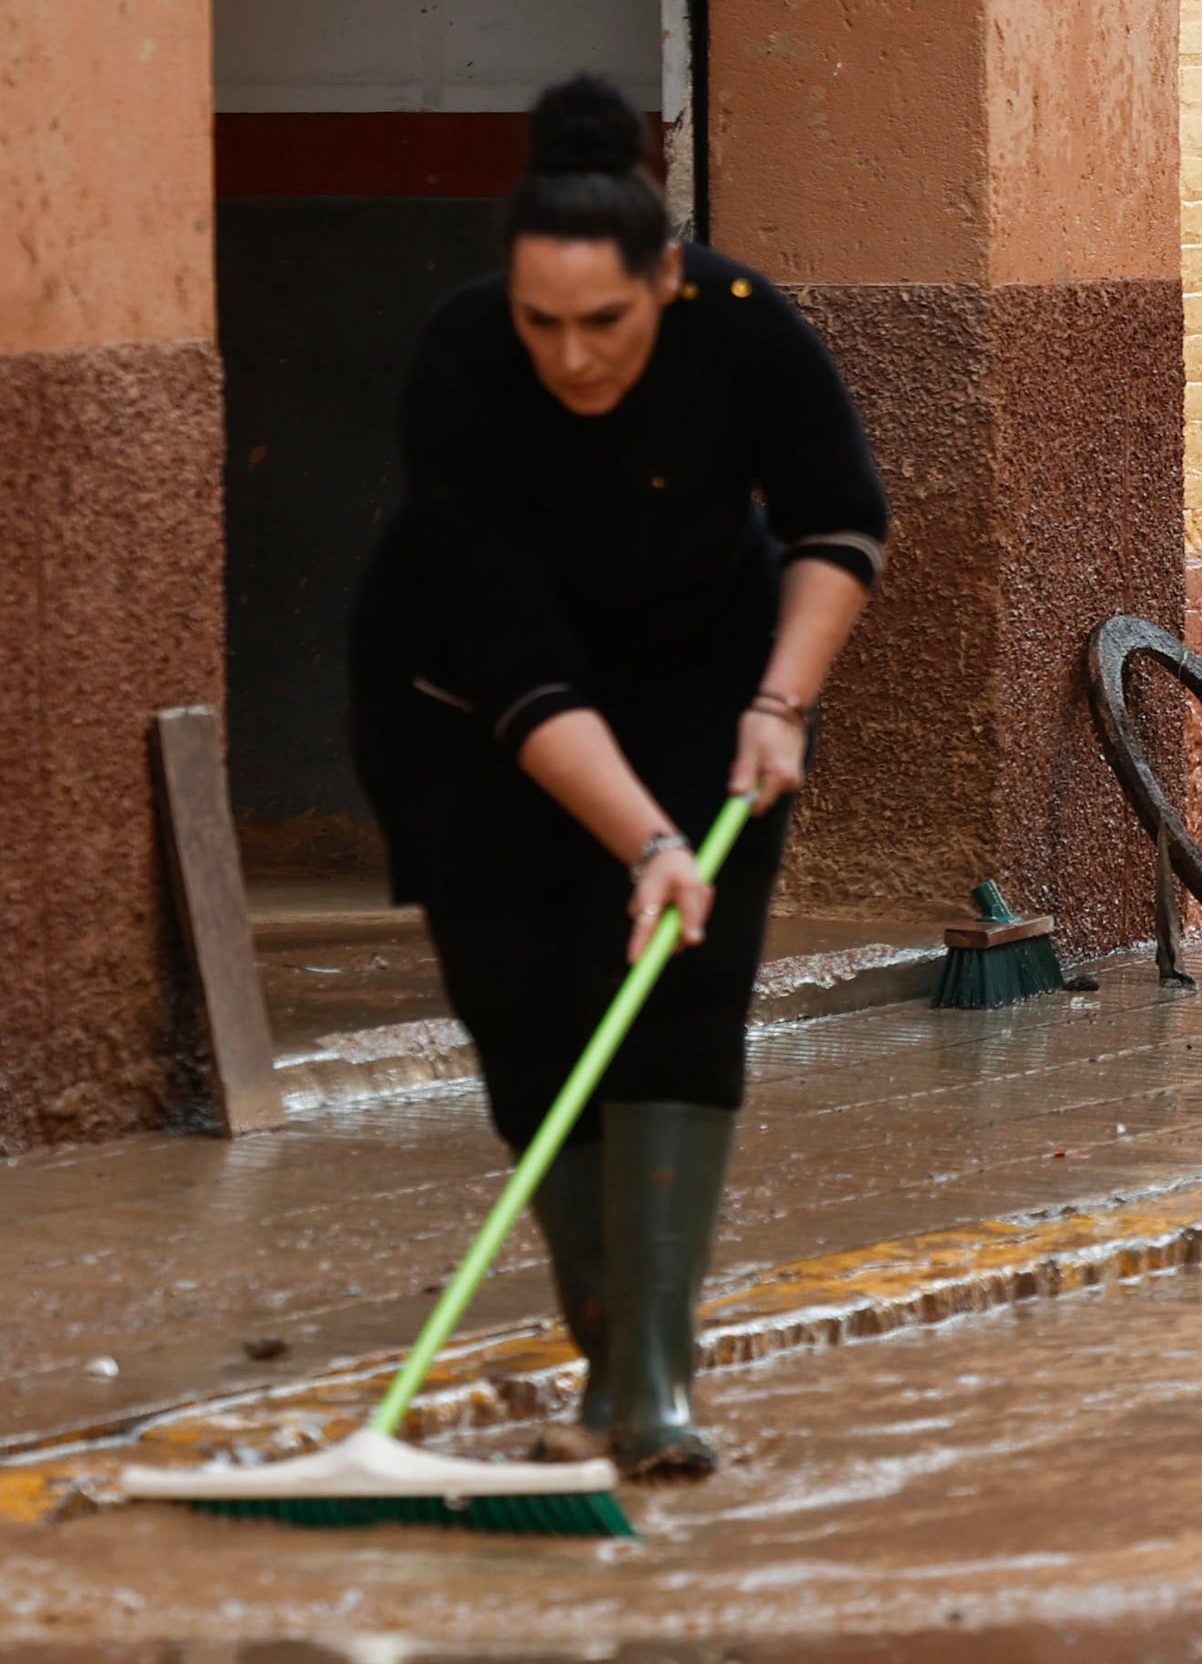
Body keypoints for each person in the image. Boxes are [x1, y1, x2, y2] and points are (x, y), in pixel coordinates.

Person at [348, 76, 888, 1474]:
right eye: (544, 323)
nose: (574, 358)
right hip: (469, 709)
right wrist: (648, 842)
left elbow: (839, 519)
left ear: (667, 277)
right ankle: (605, 1347)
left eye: (606, 322)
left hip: (713, 688)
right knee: (534, 1025)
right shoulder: (463, 366)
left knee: (681, 1007)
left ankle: (648, 1391)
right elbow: (518, 665)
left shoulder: (745, 328)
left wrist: (781, 702)